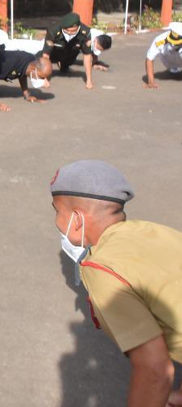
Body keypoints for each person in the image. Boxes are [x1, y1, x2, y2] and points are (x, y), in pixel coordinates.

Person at [50, 160, 182, 406]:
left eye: (57, 211)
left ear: (77, 219)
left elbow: (156, 371)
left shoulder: (103, 269)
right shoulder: (154, 232)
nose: (57, 222)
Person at [0, 29, 53, 110]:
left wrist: (26, 94)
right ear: (34, 69)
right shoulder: (9, 65)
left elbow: (22, 73)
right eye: (42, 77)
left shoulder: (30, 60)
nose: (45, 81)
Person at [42, 12, 98, 89]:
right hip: (54, 52)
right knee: (38, 61)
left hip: (70, 53)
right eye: (67, 30)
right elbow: (46, 55)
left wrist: (89, 80)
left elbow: (87, 56)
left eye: (72, 31)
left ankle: (64, 65)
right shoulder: (53, 30)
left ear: (78, 27)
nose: (69, 33)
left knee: (68, 62)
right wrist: (45, 79)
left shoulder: (85, 32)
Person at [143, 22, 182, 89]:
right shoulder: (160, 40)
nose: (173, 44)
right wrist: (151, 82)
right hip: (168, 60)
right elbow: (149, 58)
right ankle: (173, 68)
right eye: (171, 42)